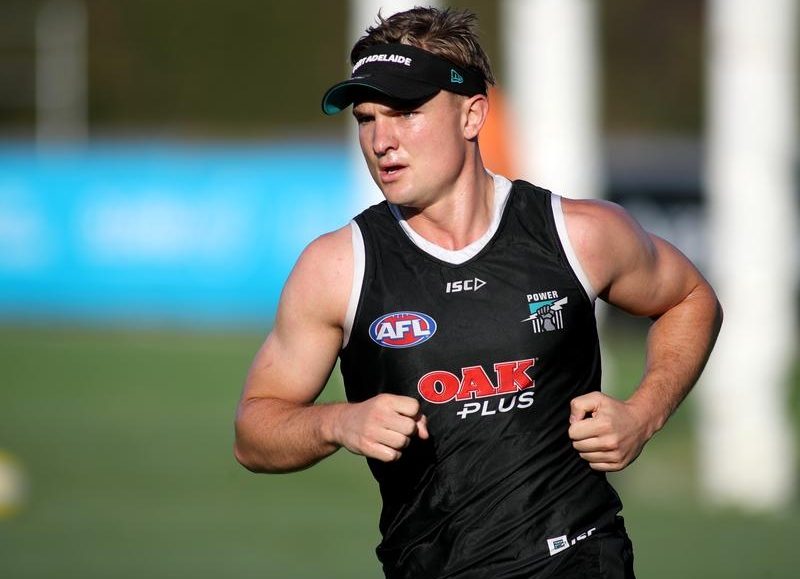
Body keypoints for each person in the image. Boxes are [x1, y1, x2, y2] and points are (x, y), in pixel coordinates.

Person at [234, 7, 722, 578]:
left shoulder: (577, 235)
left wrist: (643, 414)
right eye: (366, 119)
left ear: (472, 115)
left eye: (405, 112)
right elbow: (253, 432)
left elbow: (691, 299)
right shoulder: (338, 267)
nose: (381, 140)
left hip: (579, 559)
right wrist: (338, 423)